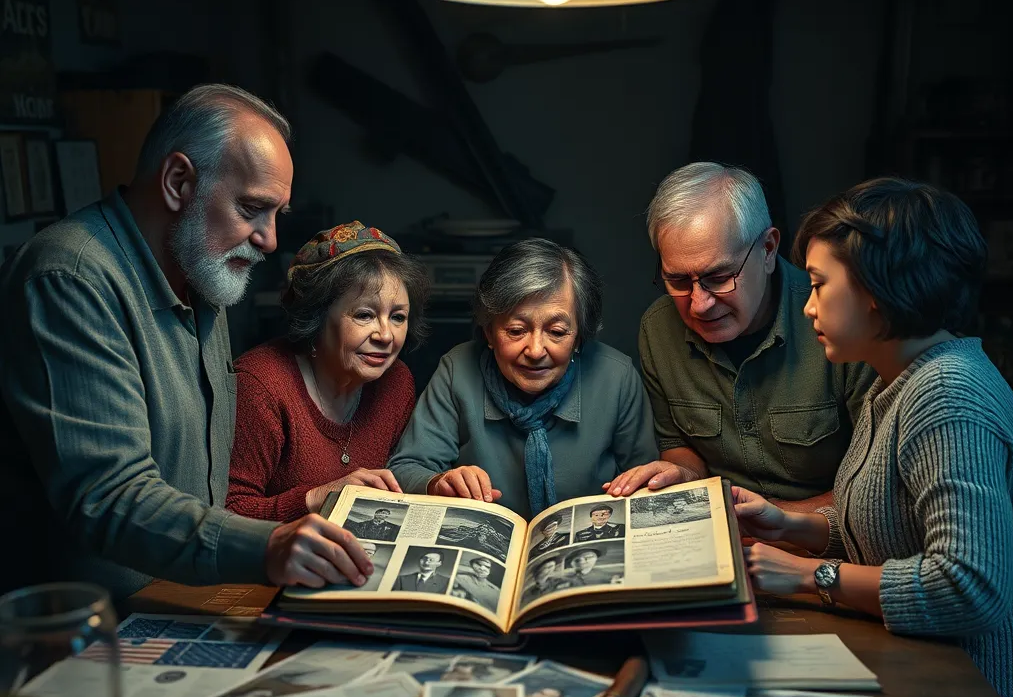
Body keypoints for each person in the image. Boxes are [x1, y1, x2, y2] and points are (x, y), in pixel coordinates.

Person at [0, 83, 374, 599]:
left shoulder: (201, 272)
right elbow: (110, 497)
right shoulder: (71, 277)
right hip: (86, 633)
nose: (269, 240)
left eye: (275, 216)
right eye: (251, 209)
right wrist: (267, 547)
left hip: (184, 599)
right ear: (178, 182)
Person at [730, 177, 1013, 697]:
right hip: (918, 672)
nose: (808, 308)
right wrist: (794, 526)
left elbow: (970, 586)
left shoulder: (948, 395)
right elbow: (894, 525)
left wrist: (806, 575)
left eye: (819, 286)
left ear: (875, 290)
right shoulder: (895, 381)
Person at [605, 163, 876, 510]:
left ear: (767, 249)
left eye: (718, 277)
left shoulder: (840, 321)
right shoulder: (658, 329)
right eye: (678, 282)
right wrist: (682, 474)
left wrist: (771, 521)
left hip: (828, 538)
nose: (699, 304)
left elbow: (876, 489)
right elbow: (677, 442)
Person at [389, 238, 658, 518]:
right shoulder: (458, 369)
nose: (535, 351)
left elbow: (646, 479)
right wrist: (438, 482)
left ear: (579, 336)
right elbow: (407, 467)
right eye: (516, 330)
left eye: (556, 332)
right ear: (490, 333)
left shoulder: (616, 377)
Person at [227, 222, 429, 522]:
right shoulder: (260, 386)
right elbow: (225, 517)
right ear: (317, 316)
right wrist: (317, 498)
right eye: (365, 315)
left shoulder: (396, 382)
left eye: (398, 317)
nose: (387, 335)